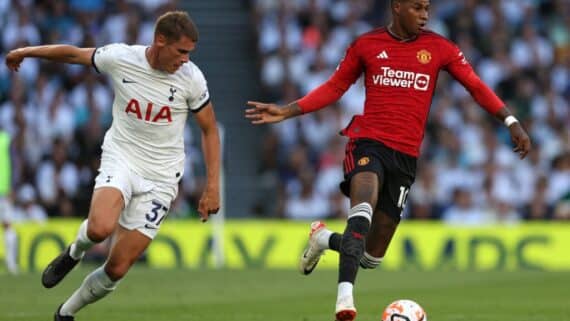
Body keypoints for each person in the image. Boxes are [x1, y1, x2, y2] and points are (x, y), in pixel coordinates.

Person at [245, 1, 531, 321]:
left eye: (427, 8)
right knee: (361, 212)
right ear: (397, 6)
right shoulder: (367, 45)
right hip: (369, 143)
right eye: (418, 8)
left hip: (406, 158)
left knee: (371, 257)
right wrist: (288, 110)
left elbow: (475, 86)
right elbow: (335, 86)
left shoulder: (440, 48)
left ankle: (323, 238)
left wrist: (510, 121)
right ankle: (344, 299)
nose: (425, 15)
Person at [5, 10, 221, 321]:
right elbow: (72, 54)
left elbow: (210, 129)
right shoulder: (122, 58)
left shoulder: (192, 79)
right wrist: (27, 51)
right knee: (99, 228)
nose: (186, 60)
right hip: (122, 157)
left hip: (161, 178)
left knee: (117, 267)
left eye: (190, 53)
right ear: (161, 41)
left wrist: (211, 185)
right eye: (181, 51)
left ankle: (66, 313)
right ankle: (74, 252)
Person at [0, 128, 18, 274]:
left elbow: (14, 163)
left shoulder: (6, 138)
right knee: (8, 228)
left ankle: (11, 264)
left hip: (3, 192)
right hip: (4, 191)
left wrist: (13, 186)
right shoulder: (6, 139)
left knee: (8, 227)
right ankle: (11, 265)